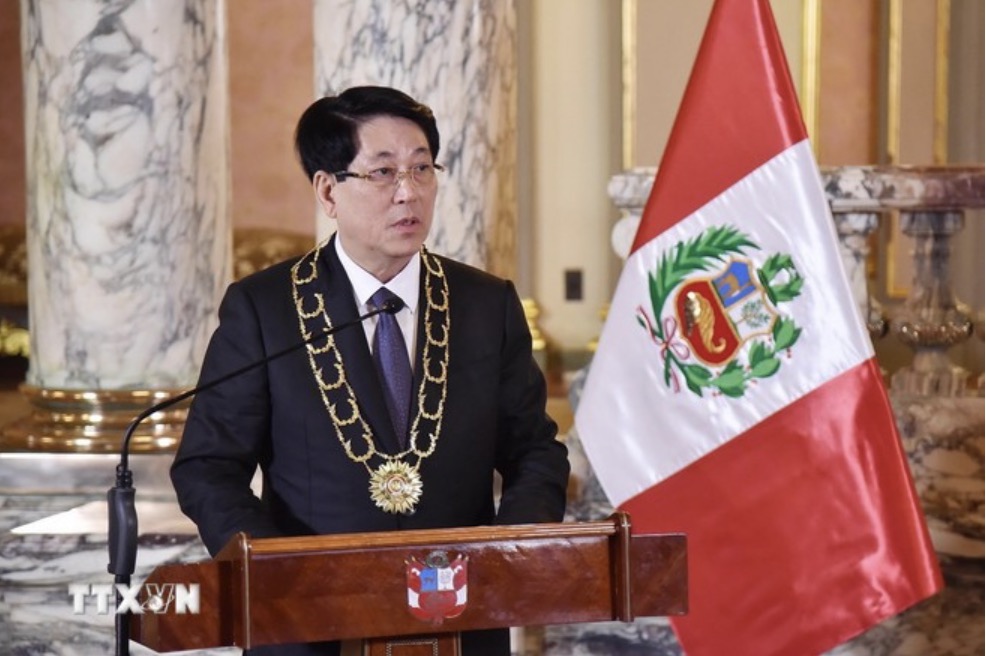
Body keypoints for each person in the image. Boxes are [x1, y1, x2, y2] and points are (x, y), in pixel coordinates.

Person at [170, 85, 571, 656]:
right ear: (328, 190)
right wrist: (274, 574)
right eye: (382, 173)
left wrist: (512, 552)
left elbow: (535, 450)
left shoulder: (486, 304)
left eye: (422, 169)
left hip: (459, 618)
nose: (408, 193)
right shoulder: (266, 308)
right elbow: (209, 466)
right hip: (306, 623)